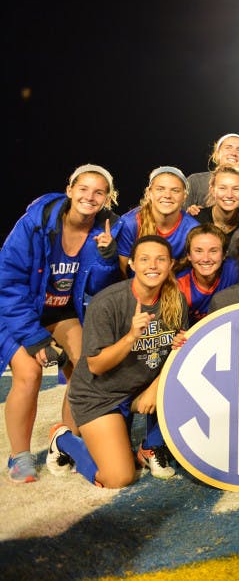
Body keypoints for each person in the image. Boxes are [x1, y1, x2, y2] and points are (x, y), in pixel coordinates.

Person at [1, 164, 120, 483]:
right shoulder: (36, 222)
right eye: (83, 189)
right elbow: (8, 281)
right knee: (29, 373)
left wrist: (107, 258)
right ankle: (19, 456)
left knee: (87, 366)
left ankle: (63, 441)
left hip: (61, 313)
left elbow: (98, 289)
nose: (90, 196)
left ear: (106, 198)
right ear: (69, 190)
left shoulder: (106, 230)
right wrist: (34, 338)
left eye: (99, 192)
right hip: (20, 310)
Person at [47, 235, 187, 487]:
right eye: (144, 259)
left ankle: (150, 447)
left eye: (160, 259)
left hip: (137, 389)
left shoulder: (175, 300)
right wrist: (131, 337)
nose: (153, 265)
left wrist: (155, 390)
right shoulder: (107, 302)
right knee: (118, 477)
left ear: (171, 264)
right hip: (99, 395)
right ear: (132, 264)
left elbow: (177, 350)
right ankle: (64, 440)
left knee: (190, 381)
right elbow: (96, 365)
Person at [115, 166, 200, 274]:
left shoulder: (192, 229)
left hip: (175, 286)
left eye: (175, 190)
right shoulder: (130, 223)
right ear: (149, 192)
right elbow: (122, 272)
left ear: (184, 196)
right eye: (160, 189)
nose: (167, 195)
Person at [174, 224, 239, 325]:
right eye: (198, 251)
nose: (206, 259)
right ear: (189, 255)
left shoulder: (236, 270)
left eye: (213, 251)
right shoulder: (180, 286)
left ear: (224, 254)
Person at [186, 133, 239, 214]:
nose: (233, 153)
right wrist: (189, 215)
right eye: (228, 148)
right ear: (217, 153)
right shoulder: (195, 181)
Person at [192, 166, 239, 250]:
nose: (229, 195)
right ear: (212, 191)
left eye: (236, 189)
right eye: (222, 188)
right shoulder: (195, 220)